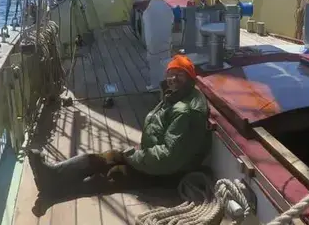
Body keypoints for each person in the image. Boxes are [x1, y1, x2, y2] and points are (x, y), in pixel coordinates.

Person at [27, 54, 211, 196]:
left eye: (180, 74)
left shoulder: (185, 111)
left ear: (190, 78)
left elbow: (168, 157)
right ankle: (51, 175)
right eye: (171, 74)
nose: (173, 78)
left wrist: (135, 157)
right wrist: (139, 153)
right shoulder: (177, 96)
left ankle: (53, 188)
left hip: (170, 174)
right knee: (107, 157)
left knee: (114, 174)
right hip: (155, 160)